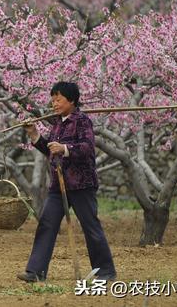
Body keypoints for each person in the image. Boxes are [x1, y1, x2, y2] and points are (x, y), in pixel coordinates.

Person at [17, 81, 116, 282]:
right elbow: (50, 150)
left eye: (59, 100)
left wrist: (65, 149)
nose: (54, 104)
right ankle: (36, 272)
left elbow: (87, 147)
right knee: (47, 223)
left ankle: (105, 272)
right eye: (52, 100)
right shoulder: (57, 123)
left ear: (71, 100)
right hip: (58, 183)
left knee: (90, 226)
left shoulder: (82, 121)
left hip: (81, 184)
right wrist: (34, 134)